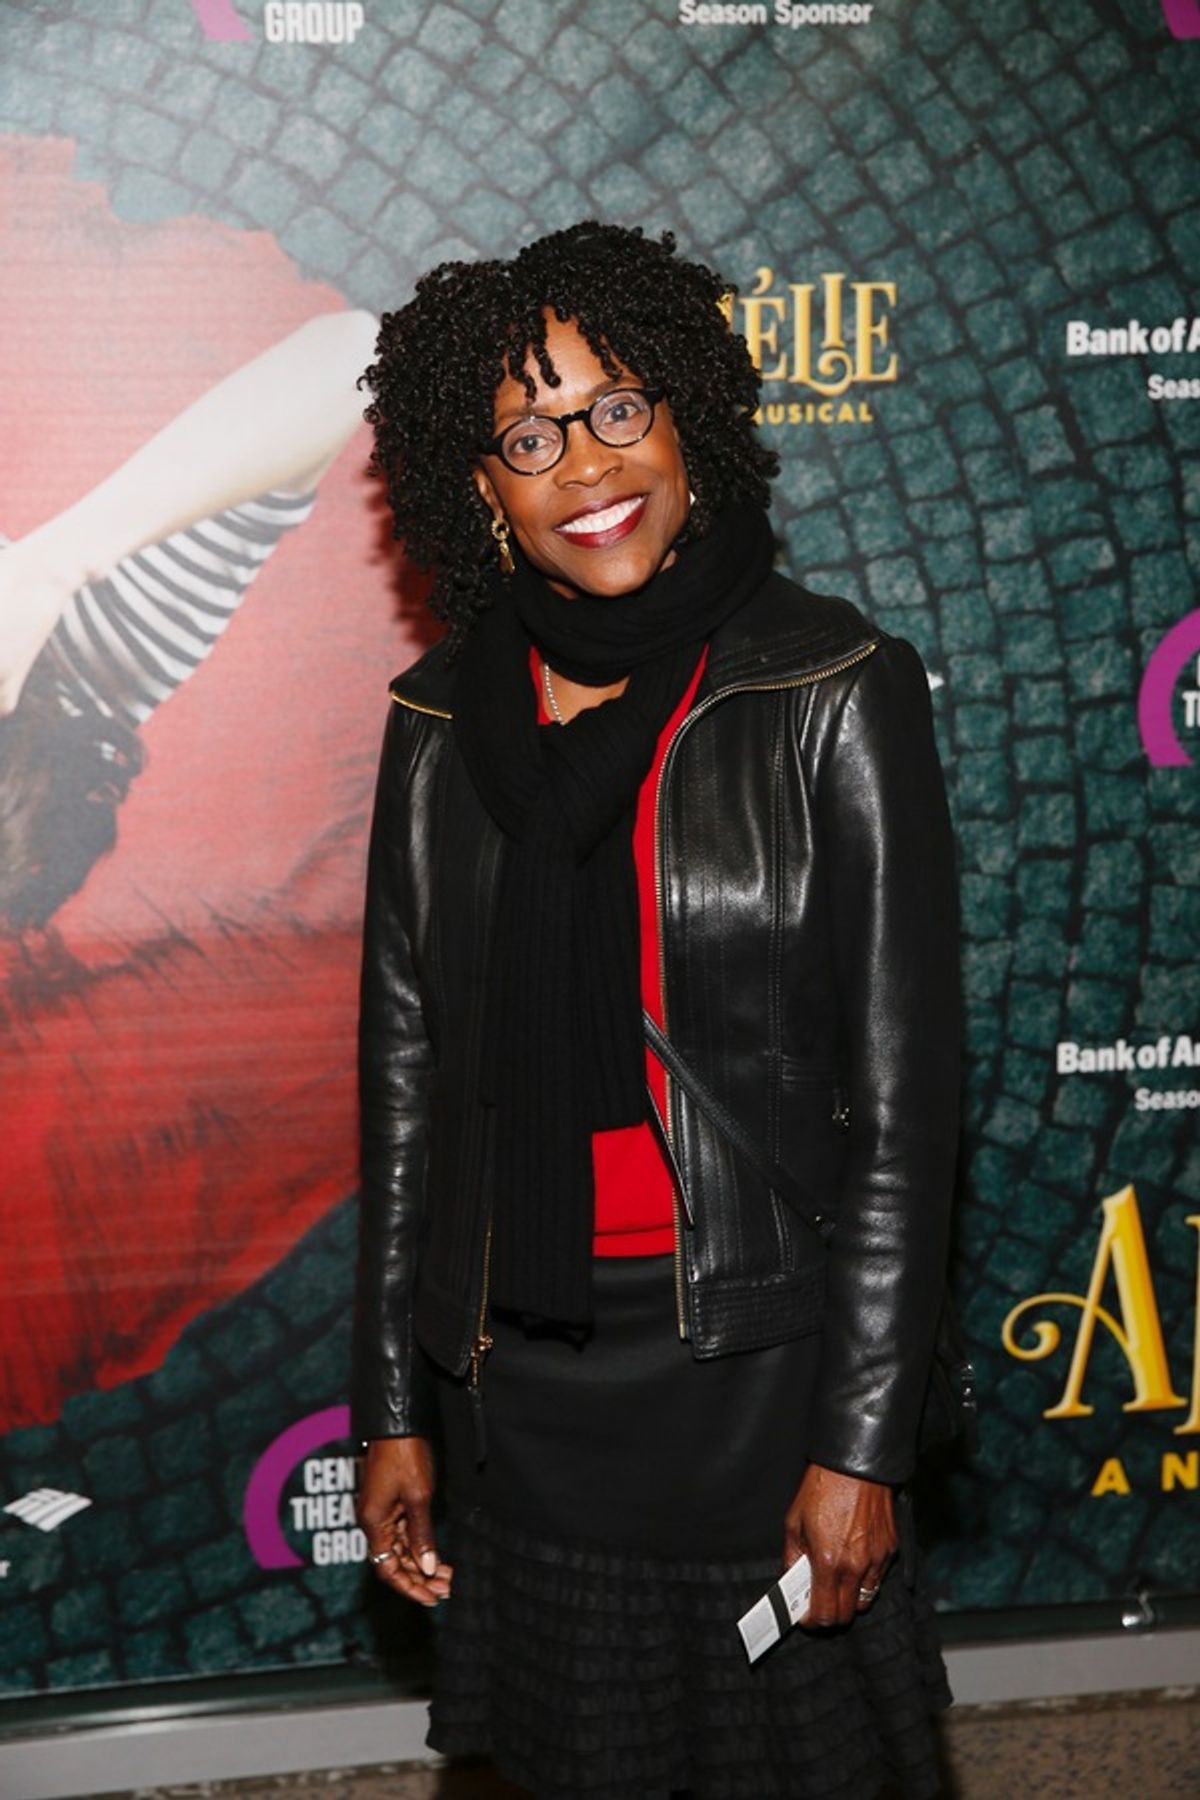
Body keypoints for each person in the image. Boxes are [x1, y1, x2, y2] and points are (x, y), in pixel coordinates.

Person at [353, 221, 961, 1800]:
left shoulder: (827, 687)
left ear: (688, 413)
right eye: (529, 438)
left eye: (619, 408)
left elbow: (905, 1116)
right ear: (480, 490)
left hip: (759, 1364)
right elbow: (407, 1091)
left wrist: (864, 1444)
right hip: (528, 1382)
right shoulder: (434, 728)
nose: (584, 467)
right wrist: (396, 1407)